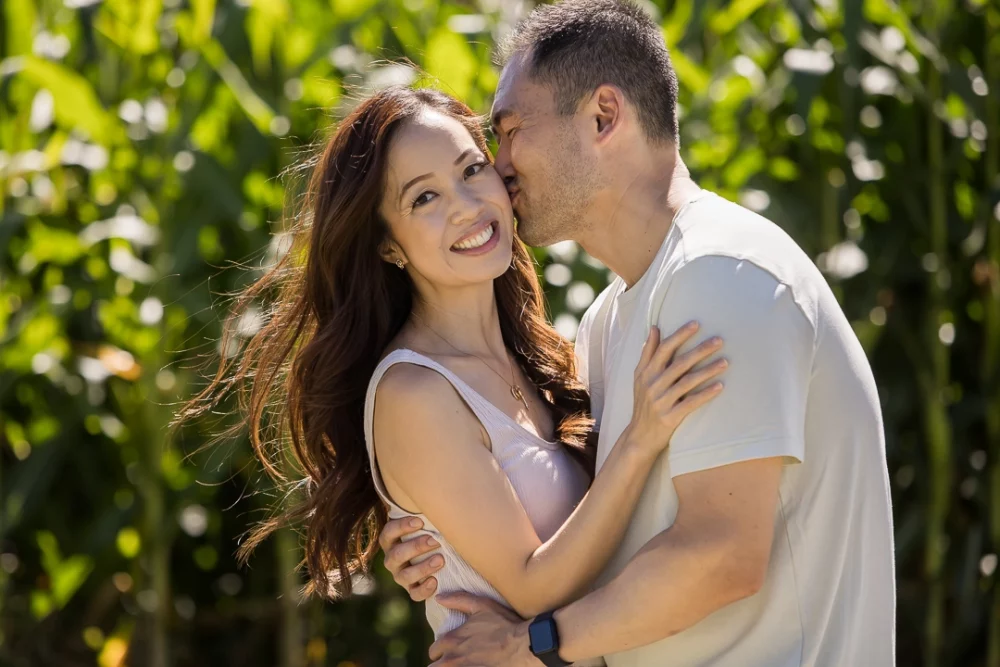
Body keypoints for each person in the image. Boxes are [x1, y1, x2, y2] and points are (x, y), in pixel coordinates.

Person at [379, 1, 897, 665]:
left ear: (603, 116)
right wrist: (442, 542)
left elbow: (721, 555)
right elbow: (582, 519)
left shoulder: (722, 275)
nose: (498, 167)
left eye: (507, 132)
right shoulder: (608, 321)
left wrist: (534, 642)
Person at [181, 83, 727, 658]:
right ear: (388, 246)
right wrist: (639, 440)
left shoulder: (547, 357)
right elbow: (534, 584)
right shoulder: (413, 394)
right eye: (423, 199)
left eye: (471, 170)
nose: (466, 206)